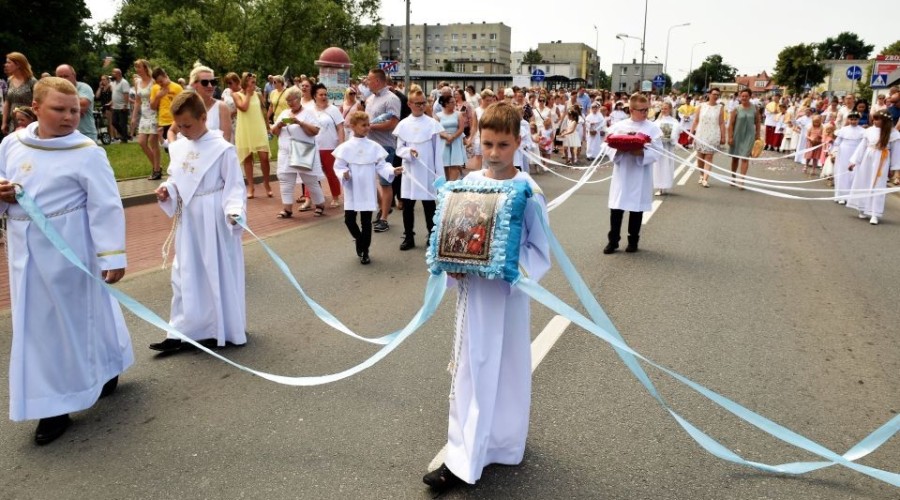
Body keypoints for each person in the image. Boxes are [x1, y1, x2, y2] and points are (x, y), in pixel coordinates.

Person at [423, 101, 551, 494]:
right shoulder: (467, 183)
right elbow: (453, 232)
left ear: (517, 144)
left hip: (506, 298)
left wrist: (505, 267)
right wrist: (453, 263)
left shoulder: (528, 191)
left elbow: (539, 250)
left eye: (503, 145)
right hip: (472, 295)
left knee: (508, 368)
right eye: (488, 144)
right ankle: (463, 458)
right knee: (470, 370)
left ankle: (502, 443)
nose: (494, 154)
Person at [0, 77, 132, 444]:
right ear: (36, 109)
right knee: (39, 325)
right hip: (23, 252)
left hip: (69, 249)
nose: (69, 117)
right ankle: (74, 389)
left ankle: (71, 392)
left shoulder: (87, 151)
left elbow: (105, 203)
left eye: (74, 110)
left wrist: (112, 253)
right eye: (59, 109)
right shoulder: (12, 144)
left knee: (75, 318)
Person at [149, 91, 247, 352]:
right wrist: (167, 190)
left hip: (214, 217)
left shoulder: (222, 149)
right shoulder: (180, 146)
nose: (182, 131)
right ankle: (180, 330)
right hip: (189, 218)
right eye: (178, 126)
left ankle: (219, 328)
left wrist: (234, 211)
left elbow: (234, 185)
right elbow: (177, 177)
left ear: (204, 118)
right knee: (184, 272)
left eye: (187, 125)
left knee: (215, 269)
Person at [332, 112, 400, 264]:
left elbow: (382, 166)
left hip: (368, 189)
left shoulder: (374, 147)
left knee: (366, 222)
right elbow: (339, 166)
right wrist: (344, 174)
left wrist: (392, 170)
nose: (367, 128)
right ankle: (359, 240)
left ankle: (365, 251)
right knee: (349, 220)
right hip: (352, 188)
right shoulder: (345, 147)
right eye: (363, 125)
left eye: (368, 124)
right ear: (353, 126)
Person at [603, 93, 663, 254]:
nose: (645, 113)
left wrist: (642, 153)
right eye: (642, 110)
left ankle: (633, 241)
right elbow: (607, 146)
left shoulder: (652, 128)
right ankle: (613, 240)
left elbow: (658, 151)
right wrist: (619, 149)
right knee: (617, 207)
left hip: (640, 173)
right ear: (631, 109)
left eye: (647, 110)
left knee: (636, 209)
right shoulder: (619, 126)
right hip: (622, 171)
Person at [394, 88, 444, 250]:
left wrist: (439, 174)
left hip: (428, 171)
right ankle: (409, 236)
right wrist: (408, 152)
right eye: (418, 103)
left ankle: (432, 235)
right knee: (407, 205)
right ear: (409, 104)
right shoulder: (403, 125)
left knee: (429, 206)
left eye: (424, 103)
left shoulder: (432, 124)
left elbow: (438, 152)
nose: (422, 106)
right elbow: (399, 149)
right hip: (410, 172)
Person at [271, 87, 325, 218]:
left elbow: (315, 131)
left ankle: (320, 204)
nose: (290, 103)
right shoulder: (284, 113)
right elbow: (274, 132)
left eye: (292, 100)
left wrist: (299, 122)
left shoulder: (308, 113)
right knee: (285, 179)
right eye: (288, 101)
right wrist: (279, 125)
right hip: (286, 152)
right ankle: (287, 209)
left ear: (299, 98)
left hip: (303, 150)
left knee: (309, 179)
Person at [364, 68, 401, 233]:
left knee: (385, 183)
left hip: (385, 147)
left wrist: (371, 127)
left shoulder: (391, 99)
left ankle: (384, 218)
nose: (367, 82)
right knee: (368, 180)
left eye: (369, 80)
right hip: (368, 145)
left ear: (378, 81)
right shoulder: (369, 99)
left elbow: (393, 123)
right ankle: (383, 207)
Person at [847, 111, 900, 225]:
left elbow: (896, 152)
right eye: (874, 119)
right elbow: (862, 147)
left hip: (882, 160)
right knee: (863, 181)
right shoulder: (869, 131)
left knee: (878, 185)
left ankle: (875, 213)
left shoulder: (893, 133)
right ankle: (861, 207)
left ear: (884, 121)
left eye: (877, 119)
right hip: (868, 157)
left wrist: (895, 170)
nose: (874, 121)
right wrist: (854, 161)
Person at [233, 72, 273, 199]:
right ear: (245, 83)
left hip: (259, 128)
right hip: (245, 129)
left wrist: (268, 126)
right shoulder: (236, 95)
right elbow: (243, 108)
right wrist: (248, 95)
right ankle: (251, 186)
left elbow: (264, 110)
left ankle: (267, 183)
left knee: (264, 157)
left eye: (255, 82)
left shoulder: (259, 94)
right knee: (248, 158)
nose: (254, 85)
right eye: (252, 82)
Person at [310, 83, 346, 209]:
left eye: (326, 94)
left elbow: (340, 128)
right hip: (313, 147)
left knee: (331, 173)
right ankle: (314, 198)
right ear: (315, 96)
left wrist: (341, 145)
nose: (324, 97)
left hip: (330, 146)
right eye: (321, 94)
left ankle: (335, 197)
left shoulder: (333, 110)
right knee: (313, 175)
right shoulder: (309, 109)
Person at [128, 60, 161, 178]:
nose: (137, 70)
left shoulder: (154, 82)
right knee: (141, 142)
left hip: (155, 113)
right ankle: (157, 166)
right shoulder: (137, 82)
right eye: (136, 67)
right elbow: (137, 101)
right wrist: (134, 117)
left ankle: (156, 170)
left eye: (139, 67)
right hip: (144, 115)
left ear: (146, 68)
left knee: (153, 141)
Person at [52, 64, 98, 143]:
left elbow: (83, 105)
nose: (63, 79)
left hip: (85, 135)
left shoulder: (84, 88)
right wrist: (74, 108)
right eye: (60, 77)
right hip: (63, 135)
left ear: (74, 76)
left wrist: (59, 107)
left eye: (66, 76)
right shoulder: (53, 91)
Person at [690, 89, 725, 188]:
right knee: (700, 157)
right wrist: (691, 133)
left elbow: (721, 123)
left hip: (713, 134)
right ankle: (701, 174)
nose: (716, 96)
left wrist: (723, 136)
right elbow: (696, 121)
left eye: (718, 95)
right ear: (709, 94)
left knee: (709, 157)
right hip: (701, 134)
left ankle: (705, 179)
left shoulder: (720, 108)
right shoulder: (701, 106)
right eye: (714, 94)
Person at [728, 89, 761, 188]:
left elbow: (758, 123)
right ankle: (733, 177)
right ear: (740, 97)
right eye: (742, 96)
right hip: (737, 136)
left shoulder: (755, 108)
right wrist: (730, 137)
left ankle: (741, 180)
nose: (744, 98)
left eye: (746, 96)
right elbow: (731, 125)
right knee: (735, 158)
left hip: (749, 136)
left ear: (750, 97)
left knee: (745, 158)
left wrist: (757, 134)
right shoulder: (736, 109)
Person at [832, 111, 864, 205]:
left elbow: (863, 144)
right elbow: (837, 142)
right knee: (842, 173)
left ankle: (850, 196)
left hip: (856, 152)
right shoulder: (844, 130)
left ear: (859, 120)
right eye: (852, 119)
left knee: (853, 174)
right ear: (848, 120)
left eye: (856, 119)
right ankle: (840, 195)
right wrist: (834, 151)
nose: (853, 121)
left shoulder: (862, 131)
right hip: (844, 152)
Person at [2, 52, 37, 136]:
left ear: (18, 65)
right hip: (12, 123)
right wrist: (4, 122)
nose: (5, 65)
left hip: (27, 123)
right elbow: (7, 102)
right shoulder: (10, 80)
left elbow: (37, 103)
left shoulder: (32, 82)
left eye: (8, 62)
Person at [653, 101, 679, 195]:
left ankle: (664, 185)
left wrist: (671, 138)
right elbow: (653, 131)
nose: (663, 110)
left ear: (670, 109)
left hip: (667, 147)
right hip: (659, 147)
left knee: (666, 165)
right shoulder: (657, 121)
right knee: (658, 166)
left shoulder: (674, 121)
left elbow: (675, 133)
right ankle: (659, 187)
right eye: (662, 108)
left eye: (666, 108)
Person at [437, 95, 466, 180]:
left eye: (455, 102)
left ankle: (451, 184)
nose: (455, 104)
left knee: (455, 164)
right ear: (446, 104)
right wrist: (446, 137)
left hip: (456, 140)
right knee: (444, 165)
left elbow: (461, 128)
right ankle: (445, 184)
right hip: (443, 141)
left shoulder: (458, 114)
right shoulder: (438, 115)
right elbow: (437, 130)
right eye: (452, 102)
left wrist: (452, 137)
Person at [109, 67, 131, 143]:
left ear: (118, 74)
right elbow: (115, 94)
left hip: (122, 107)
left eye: (113, 73)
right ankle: (125, 135)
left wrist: (125, 105)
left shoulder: (124, 82)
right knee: (114, 122)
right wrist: (111, 103)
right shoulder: (114, 83)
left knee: (123, 124)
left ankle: (124, 139)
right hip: (115, 107)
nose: (112, 74)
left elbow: (126, 94)